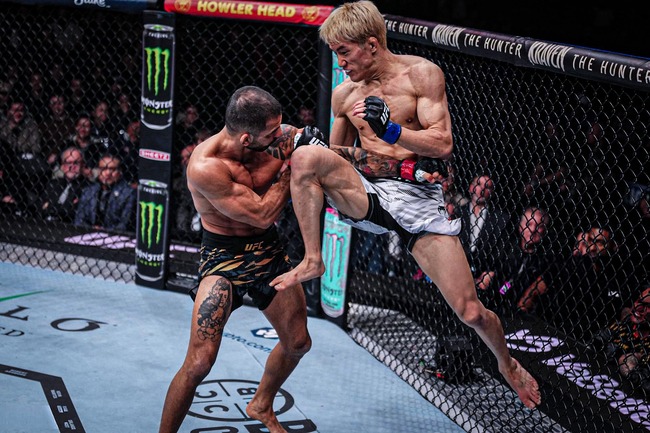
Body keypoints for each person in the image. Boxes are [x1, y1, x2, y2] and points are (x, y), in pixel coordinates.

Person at [270, 1, 541, 409]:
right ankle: (313, 258)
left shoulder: (422, 75)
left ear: (372, 44)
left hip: (418, 202)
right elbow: (340, 156)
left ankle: (507, 364)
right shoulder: (344, 95)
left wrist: (391, 130)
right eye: (335, 54)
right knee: (308, 155)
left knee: (471, 312)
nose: (340, 63)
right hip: (368, 193)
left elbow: (443, 143)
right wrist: (316, 147)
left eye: (345, 52)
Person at [158, 86, 316, 433]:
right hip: (222, 258)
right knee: (199, 363)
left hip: (267, 251)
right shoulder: (205, 166)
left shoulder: (277, 137)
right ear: (247, 138)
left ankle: (261, 404)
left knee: (298, 342)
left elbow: (319, 152)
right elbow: (261, 214)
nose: (281, 135)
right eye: (272, 132)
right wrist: (293, 167)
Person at [457, 174, 512, 291]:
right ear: (471, 187)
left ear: (492, 192)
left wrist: (492, 272)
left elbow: (502, 255)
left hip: (484, 278)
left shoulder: (501, 219)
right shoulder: (457, 213)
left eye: (487, 187)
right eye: (478, 184)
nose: (482, 189)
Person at [74, 153, 136, 231]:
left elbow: (125, 224)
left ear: (120, 171)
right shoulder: (88, 191)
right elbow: (79, 220)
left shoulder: (129, 193)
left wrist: (104, 231)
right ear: (98, 171)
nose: (107, 173)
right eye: (103, 169)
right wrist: (91, 229)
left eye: (112, 169)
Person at [40, 147, 88, 223]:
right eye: (68, 163)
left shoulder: (87, 188)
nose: (72, 166)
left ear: (83, 165)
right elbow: (39, 207)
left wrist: (50, 207)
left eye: (76, 163)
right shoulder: (53, 184)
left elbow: (73, 214)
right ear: (62, 166)